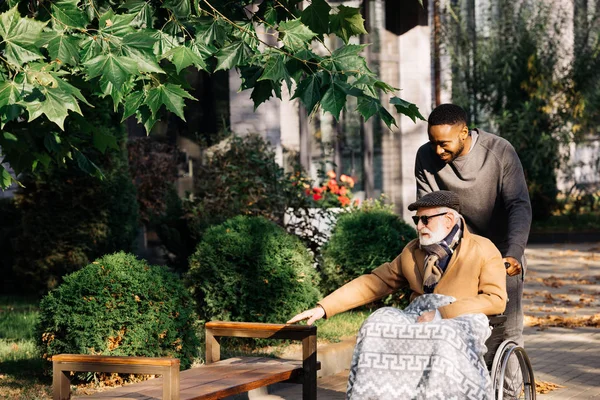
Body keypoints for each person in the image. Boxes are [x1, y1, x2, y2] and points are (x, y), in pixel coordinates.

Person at [288, 190, 507, 399]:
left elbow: (495, 299)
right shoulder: (412, 252)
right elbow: (376, 281)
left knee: (441, 335)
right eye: (417, 220)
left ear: (449, 219)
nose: (419, 226)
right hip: (419, 315)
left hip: (462, 318)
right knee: (376, 324)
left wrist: (441, 312)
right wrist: (324, 307)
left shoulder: (482, 248)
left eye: (425, 220)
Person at [414, 103, 532, 398]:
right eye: (433, 142)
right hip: (456, 257)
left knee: (504, 336)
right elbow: (428, 211)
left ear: (464, 133)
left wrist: (514, 252)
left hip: (502, 255)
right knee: (451, 329)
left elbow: (518, 205)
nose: (438, 150)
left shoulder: (499, 151)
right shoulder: (425, 156)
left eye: (444, 143)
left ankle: (508, 394)